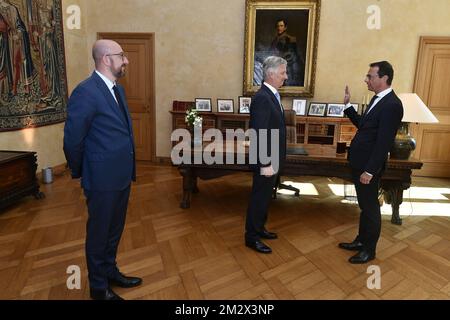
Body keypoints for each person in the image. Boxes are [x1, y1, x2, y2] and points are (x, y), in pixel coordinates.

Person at [63, 40, 141, 300]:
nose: (126, 60)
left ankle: (110, 272)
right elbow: (73, 140)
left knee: (114, 230)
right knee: (98, 235)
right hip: (101, 178)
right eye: (121, 56)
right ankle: (98, 288)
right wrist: (83, 171)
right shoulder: (86, 92)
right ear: (106, 59)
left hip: (120, 176)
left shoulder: (116, 89)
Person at [339, 61, 403, 264]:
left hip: (369, 166)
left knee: (371, 208)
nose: (366, 80)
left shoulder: (392, 105)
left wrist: (369, 170)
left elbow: (383, 143)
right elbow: (364, 127)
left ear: (384, 78)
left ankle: (369, 250)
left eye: (370, 76)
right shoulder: (378, 99)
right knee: (365, 206)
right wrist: (348, 106)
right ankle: (361, 240)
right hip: (360, 162)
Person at [245, 56, 287, 254]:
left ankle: (260, 229)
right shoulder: (263, 98)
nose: (285, 77)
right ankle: (251, 237)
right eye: (282, 73)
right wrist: (266, 163)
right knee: (259, 198)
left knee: (264, 198)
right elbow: (259, 133)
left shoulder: (272, 95)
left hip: (272, 158)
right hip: (266, 160)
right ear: (270, 74)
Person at [270, 19, 303, 86]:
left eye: (281, 26)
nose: (279, 28)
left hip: (288, 66)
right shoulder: (274, 40)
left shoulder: (290, 39)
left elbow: (293, 54)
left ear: (285, 27)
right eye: (278, 26)